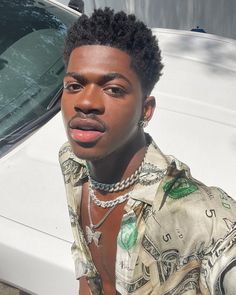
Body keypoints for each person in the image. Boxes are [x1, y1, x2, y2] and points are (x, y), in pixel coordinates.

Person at [59, 7, 236, 295]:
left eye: (114, 89)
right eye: (74, 85)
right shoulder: (72, 163)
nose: (86, 102)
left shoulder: (199, 214)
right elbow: (87, 262)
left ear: (146, 109)